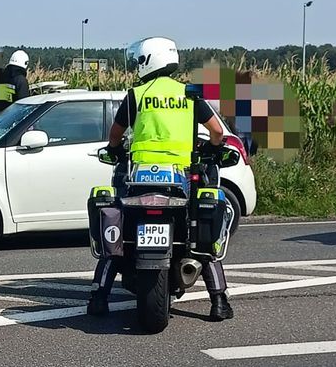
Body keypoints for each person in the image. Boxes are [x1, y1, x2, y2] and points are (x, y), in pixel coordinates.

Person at [88, 36, 234, 322]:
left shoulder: (137, 94)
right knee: (200, 241)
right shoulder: (190, 93)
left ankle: (98, 298)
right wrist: (211, 150)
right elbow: (217, 132)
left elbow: (115, 136)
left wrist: (115, 151)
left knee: (118, 235)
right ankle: (219, 302)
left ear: (146, 60)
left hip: (139, 177)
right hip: (181, 177)